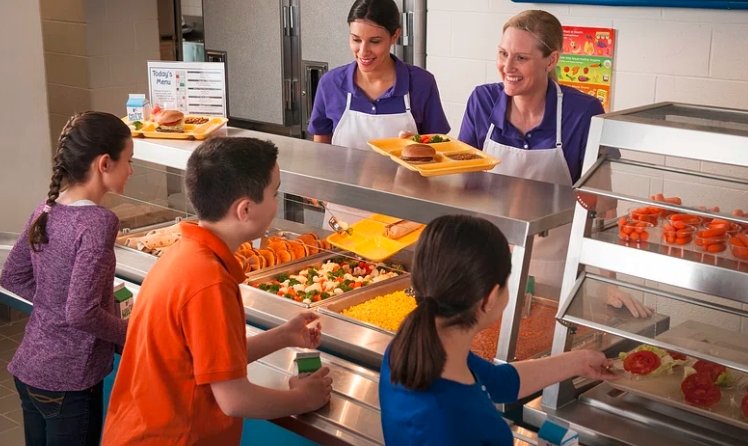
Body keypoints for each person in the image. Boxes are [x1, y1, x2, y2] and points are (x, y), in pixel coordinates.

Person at [102, 137, 333, 445]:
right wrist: (304, 399)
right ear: (245, 209)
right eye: (274, 194)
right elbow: (234, 398)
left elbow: (212, 363)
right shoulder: (209, 281)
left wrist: (285, 335)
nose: (278, 204)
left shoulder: (186, 253)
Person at [379, 215, 618, 445]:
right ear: (490, 298)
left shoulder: (411, 349)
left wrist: (579, 361)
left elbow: (499, 382)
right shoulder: (453, 421)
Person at [0, 111, 133, 446]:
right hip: (68, 378)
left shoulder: (47, 209)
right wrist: (132, 333)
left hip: (32, 369)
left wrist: (53, 303)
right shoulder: (99, 222)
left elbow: (12, 276)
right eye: (128, 161)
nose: (130, 170)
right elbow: (81, 312)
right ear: (104, 163)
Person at [457, 10, 600, 292]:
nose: (507, 66)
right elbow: (462, 183)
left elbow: (602, 206)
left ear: (551, 60)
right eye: (502, 54)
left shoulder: (582, 113)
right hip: (486, 264)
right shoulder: (482, 101)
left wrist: (606, 282)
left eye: (521, 58)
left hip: (555, 269)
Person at [307, 0, 450, 225]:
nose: (363, 51)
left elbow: (438, 150)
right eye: (356, 40)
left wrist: (411, 146)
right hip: (344, 209)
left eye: (375, 41)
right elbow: (321, 142)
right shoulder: (331, 84)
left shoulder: (421, 83)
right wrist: (321, 185)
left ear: (395, 36)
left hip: (403, 211)